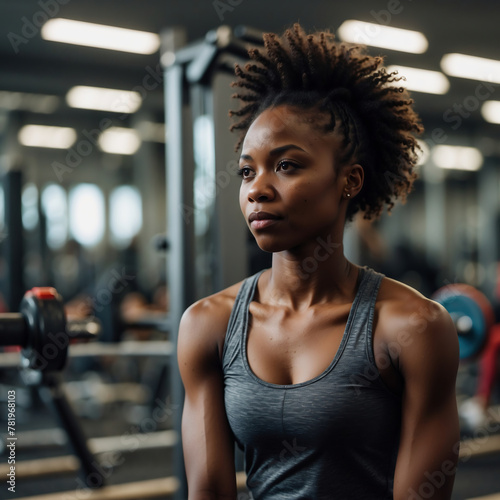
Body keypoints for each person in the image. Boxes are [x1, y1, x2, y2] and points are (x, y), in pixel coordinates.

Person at [178, 24, 460, 499]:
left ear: (349, 180)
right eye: (248, 171)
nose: (257, 189)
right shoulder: (207, 325)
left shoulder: (412, 326)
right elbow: (208, 492)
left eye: (286, 165)